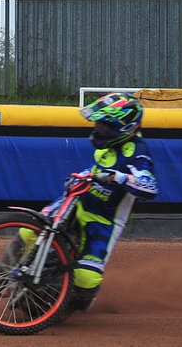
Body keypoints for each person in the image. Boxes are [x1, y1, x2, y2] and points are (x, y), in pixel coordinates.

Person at [55, 92, 159, 312]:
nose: (99, 129)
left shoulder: (139, 151)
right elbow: (96, 170)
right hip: (78, 203)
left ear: (124, 129)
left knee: (86, 279)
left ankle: (67, 307)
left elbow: (150, 186)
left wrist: (120, 177)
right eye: (99, 124)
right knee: (30, 231)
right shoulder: (107, 146)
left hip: (105, 221)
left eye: (106, 126)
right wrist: (79, 177)